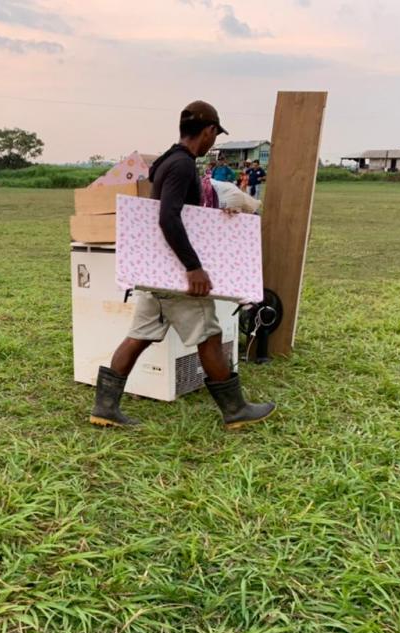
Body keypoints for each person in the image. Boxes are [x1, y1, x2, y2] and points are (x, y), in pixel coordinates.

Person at [90, 101, 275, 430]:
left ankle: (104, 408)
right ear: (208, 131)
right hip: (176, 275)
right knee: (210, 336)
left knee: (139, 336)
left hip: (157, 271)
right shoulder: (181, 165)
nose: (213, 142)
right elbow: (168, 217)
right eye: (214, 135)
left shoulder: (167, 161)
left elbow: (184, 214)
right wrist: (193, 267)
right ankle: (235, 411)